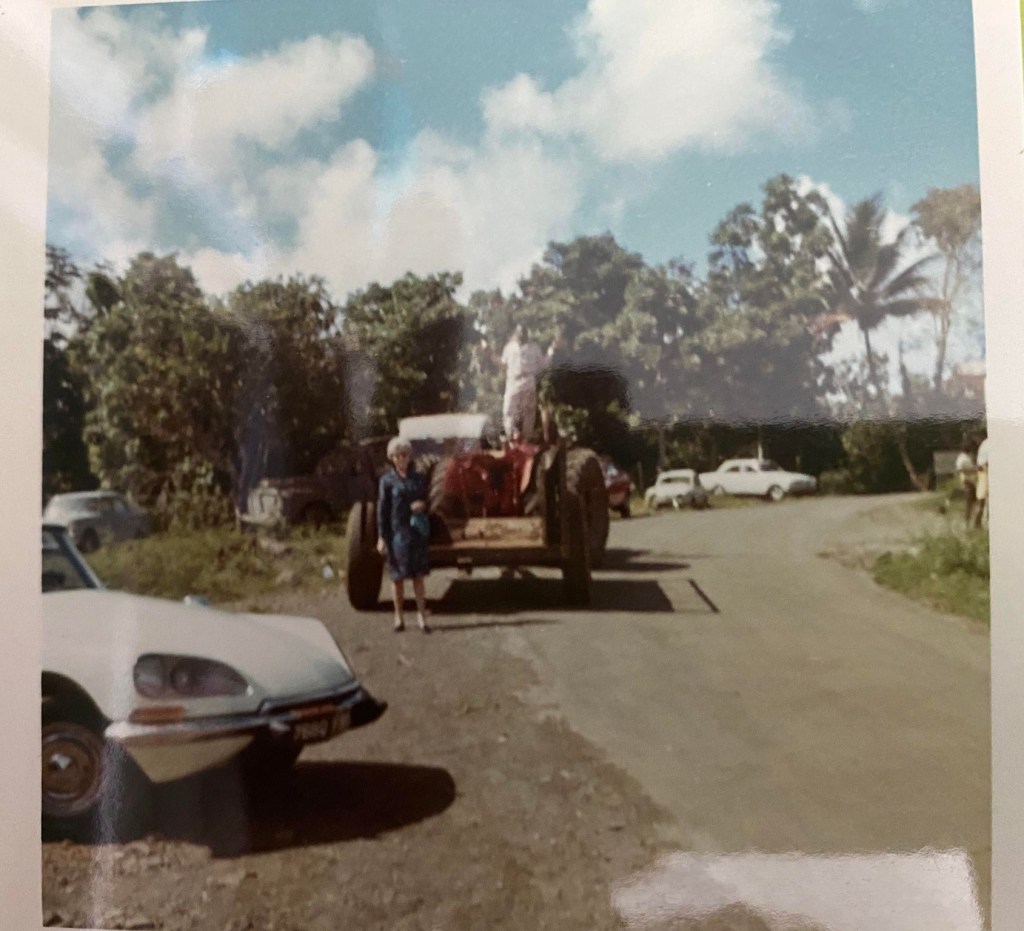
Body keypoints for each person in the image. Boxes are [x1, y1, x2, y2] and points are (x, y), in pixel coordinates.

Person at [376, 437, 431, 632]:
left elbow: (428, 500)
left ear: (409, 456)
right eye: (397, 455)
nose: (401, 459)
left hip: (416, 533)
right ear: (392, 457)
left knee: (418, 577)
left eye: (405, 455)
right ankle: (399, 617)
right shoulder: (387, 481)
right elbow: (382, 510)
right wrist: (381, 537)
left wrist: (422, 505)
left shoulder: (418, 478)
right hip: (397, 535)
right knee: (397, 578)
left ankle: (422, 616)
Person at [500, 324, 547, 440]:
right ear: (515, 333)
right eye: (519, 333)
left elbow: (542, 364)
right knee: (508, 409)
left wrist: (552, 351)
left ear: (527, 334)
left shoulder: (534, 347)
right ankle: (510, 436)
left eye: (523, 333)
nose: (521, 335)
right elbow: (503, 364)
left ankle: (527, 438)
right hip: (513, 381)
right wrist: (490, 354)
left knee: (529, 411)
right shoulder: (509, 347)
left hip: (528, 380)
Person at [954, 439, 978, 531]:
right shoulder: (962, 458)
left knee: (973, 504)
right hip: (967, 482)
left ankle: (971, 522)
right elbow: (960, 469)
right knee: (969, 504)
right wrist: (974, 470)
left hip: (971, 482)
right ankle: (966, 525)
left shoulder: (967, 457)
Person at [974, 432, 990, 529]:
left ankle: (980, 522)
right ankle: (981, 522)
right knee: (984, 500)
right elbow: (984, 463)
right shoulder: (987, 444)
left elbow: (980, 464)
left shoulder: (983, 444)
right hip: (985, 473)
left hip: (983, 474)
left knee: (982, 500)